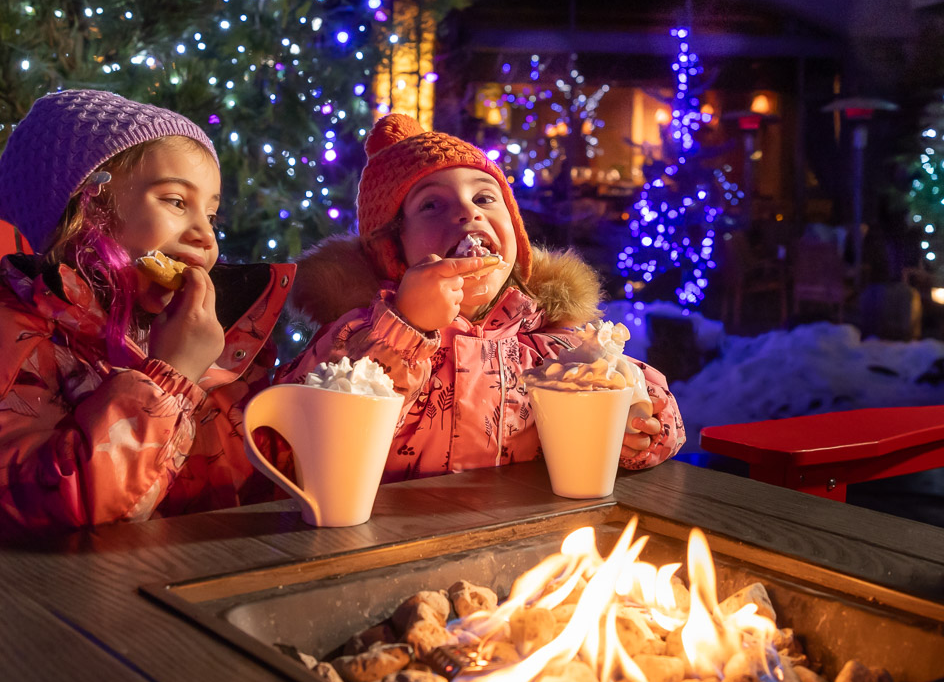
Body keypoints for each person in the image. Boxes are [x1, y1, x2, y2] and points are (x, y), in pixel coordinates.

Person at [0, 89, 294, 541]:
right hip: (58, 596)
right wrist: (171, 376)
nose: (205, 235)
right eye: (176, 202)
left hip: (191, 576)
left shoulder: (199, 332)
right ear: (92, 206)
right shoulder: (2, 336)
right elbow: (42, 506)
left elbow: (254, 472)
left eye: (213, 215)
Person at [279, 113, 685, 482]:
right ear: (393, 247)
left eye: (485, 198)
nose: (467, 212)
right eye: (432, 204)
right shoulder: (354, 337)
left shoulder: (554, 349)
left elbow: (647, 402)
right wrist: (405, 328)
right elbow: (289, 440)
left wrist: (636, 426)